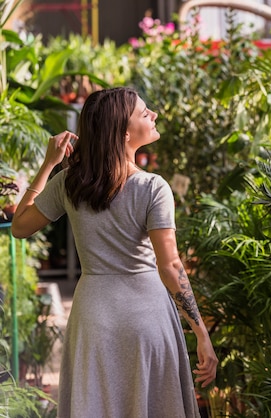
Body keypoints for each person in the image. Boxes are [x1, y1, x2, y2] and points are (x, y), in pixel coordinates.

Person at [11, 87, 218, 417]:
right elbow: (171, 265)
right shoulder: (152, 188)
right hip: (146, 319)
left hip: (93, 318)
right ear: (123, 132)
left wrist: (49, 163)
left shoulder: (69, 183)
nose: (154, 115)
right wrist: (201, 333)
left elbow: (20, 225)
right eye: (144, 112)